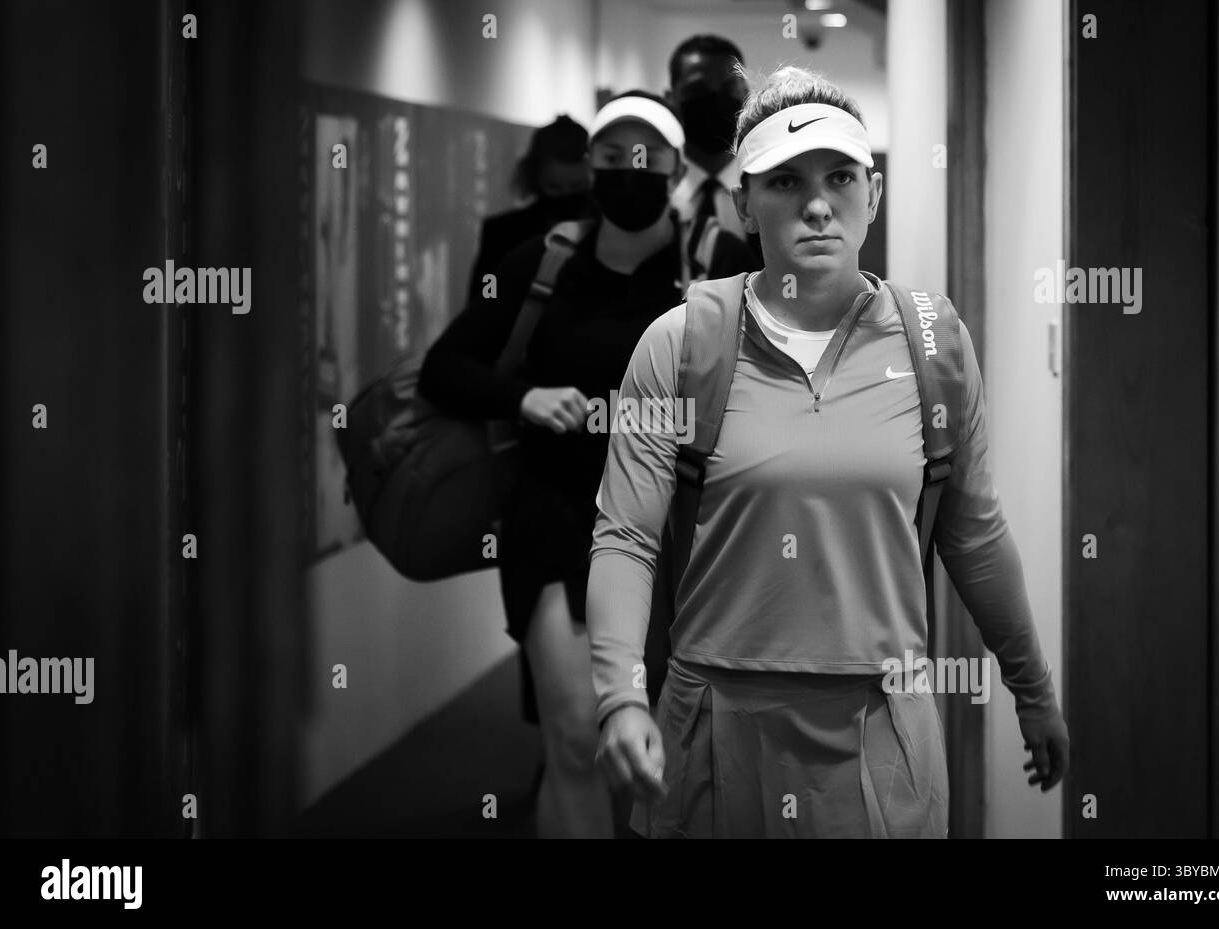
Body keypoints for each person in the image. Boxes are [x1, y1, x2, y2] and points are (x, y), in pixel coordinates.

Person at [586, 66, 1070, 838]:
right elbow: (628, 536)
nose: (817, 204)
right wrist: (619, 694)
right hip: (713, 724)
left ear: (872, 194)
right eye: (784, 181)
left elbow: (973, 535)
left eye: (840, 176)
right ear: (745, 201)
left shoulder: (932, 348)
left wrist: (1034, 690)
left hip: (878, 732)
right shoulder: (680, 345)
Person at [417, 91, 756, 838]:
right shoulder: (542, 258)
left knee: (675, 750)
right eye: (612, 157)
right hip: (558, 523)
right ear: (591, 167)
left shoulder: (722, 263)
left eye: (647, 158)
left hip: (686, 538)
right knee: (577, 738)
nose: (629, 170)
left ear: (673, 168)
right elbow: (445, 367)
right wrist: (524, 395)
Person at [466, 115, 590, 302]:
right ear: (536, 178)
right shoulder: (502, 234)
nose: (566, 196)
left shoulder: (610, 231)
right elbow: (484, 302)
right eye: (554, 187)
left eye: (576, 187)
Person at [665, 34, 761, 274]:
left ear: (746, 96)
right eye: (698, 90)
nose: (715, 100)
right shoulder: (653, 190)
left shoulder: (769, 187)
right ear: (671, 99)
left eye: (729, 89)